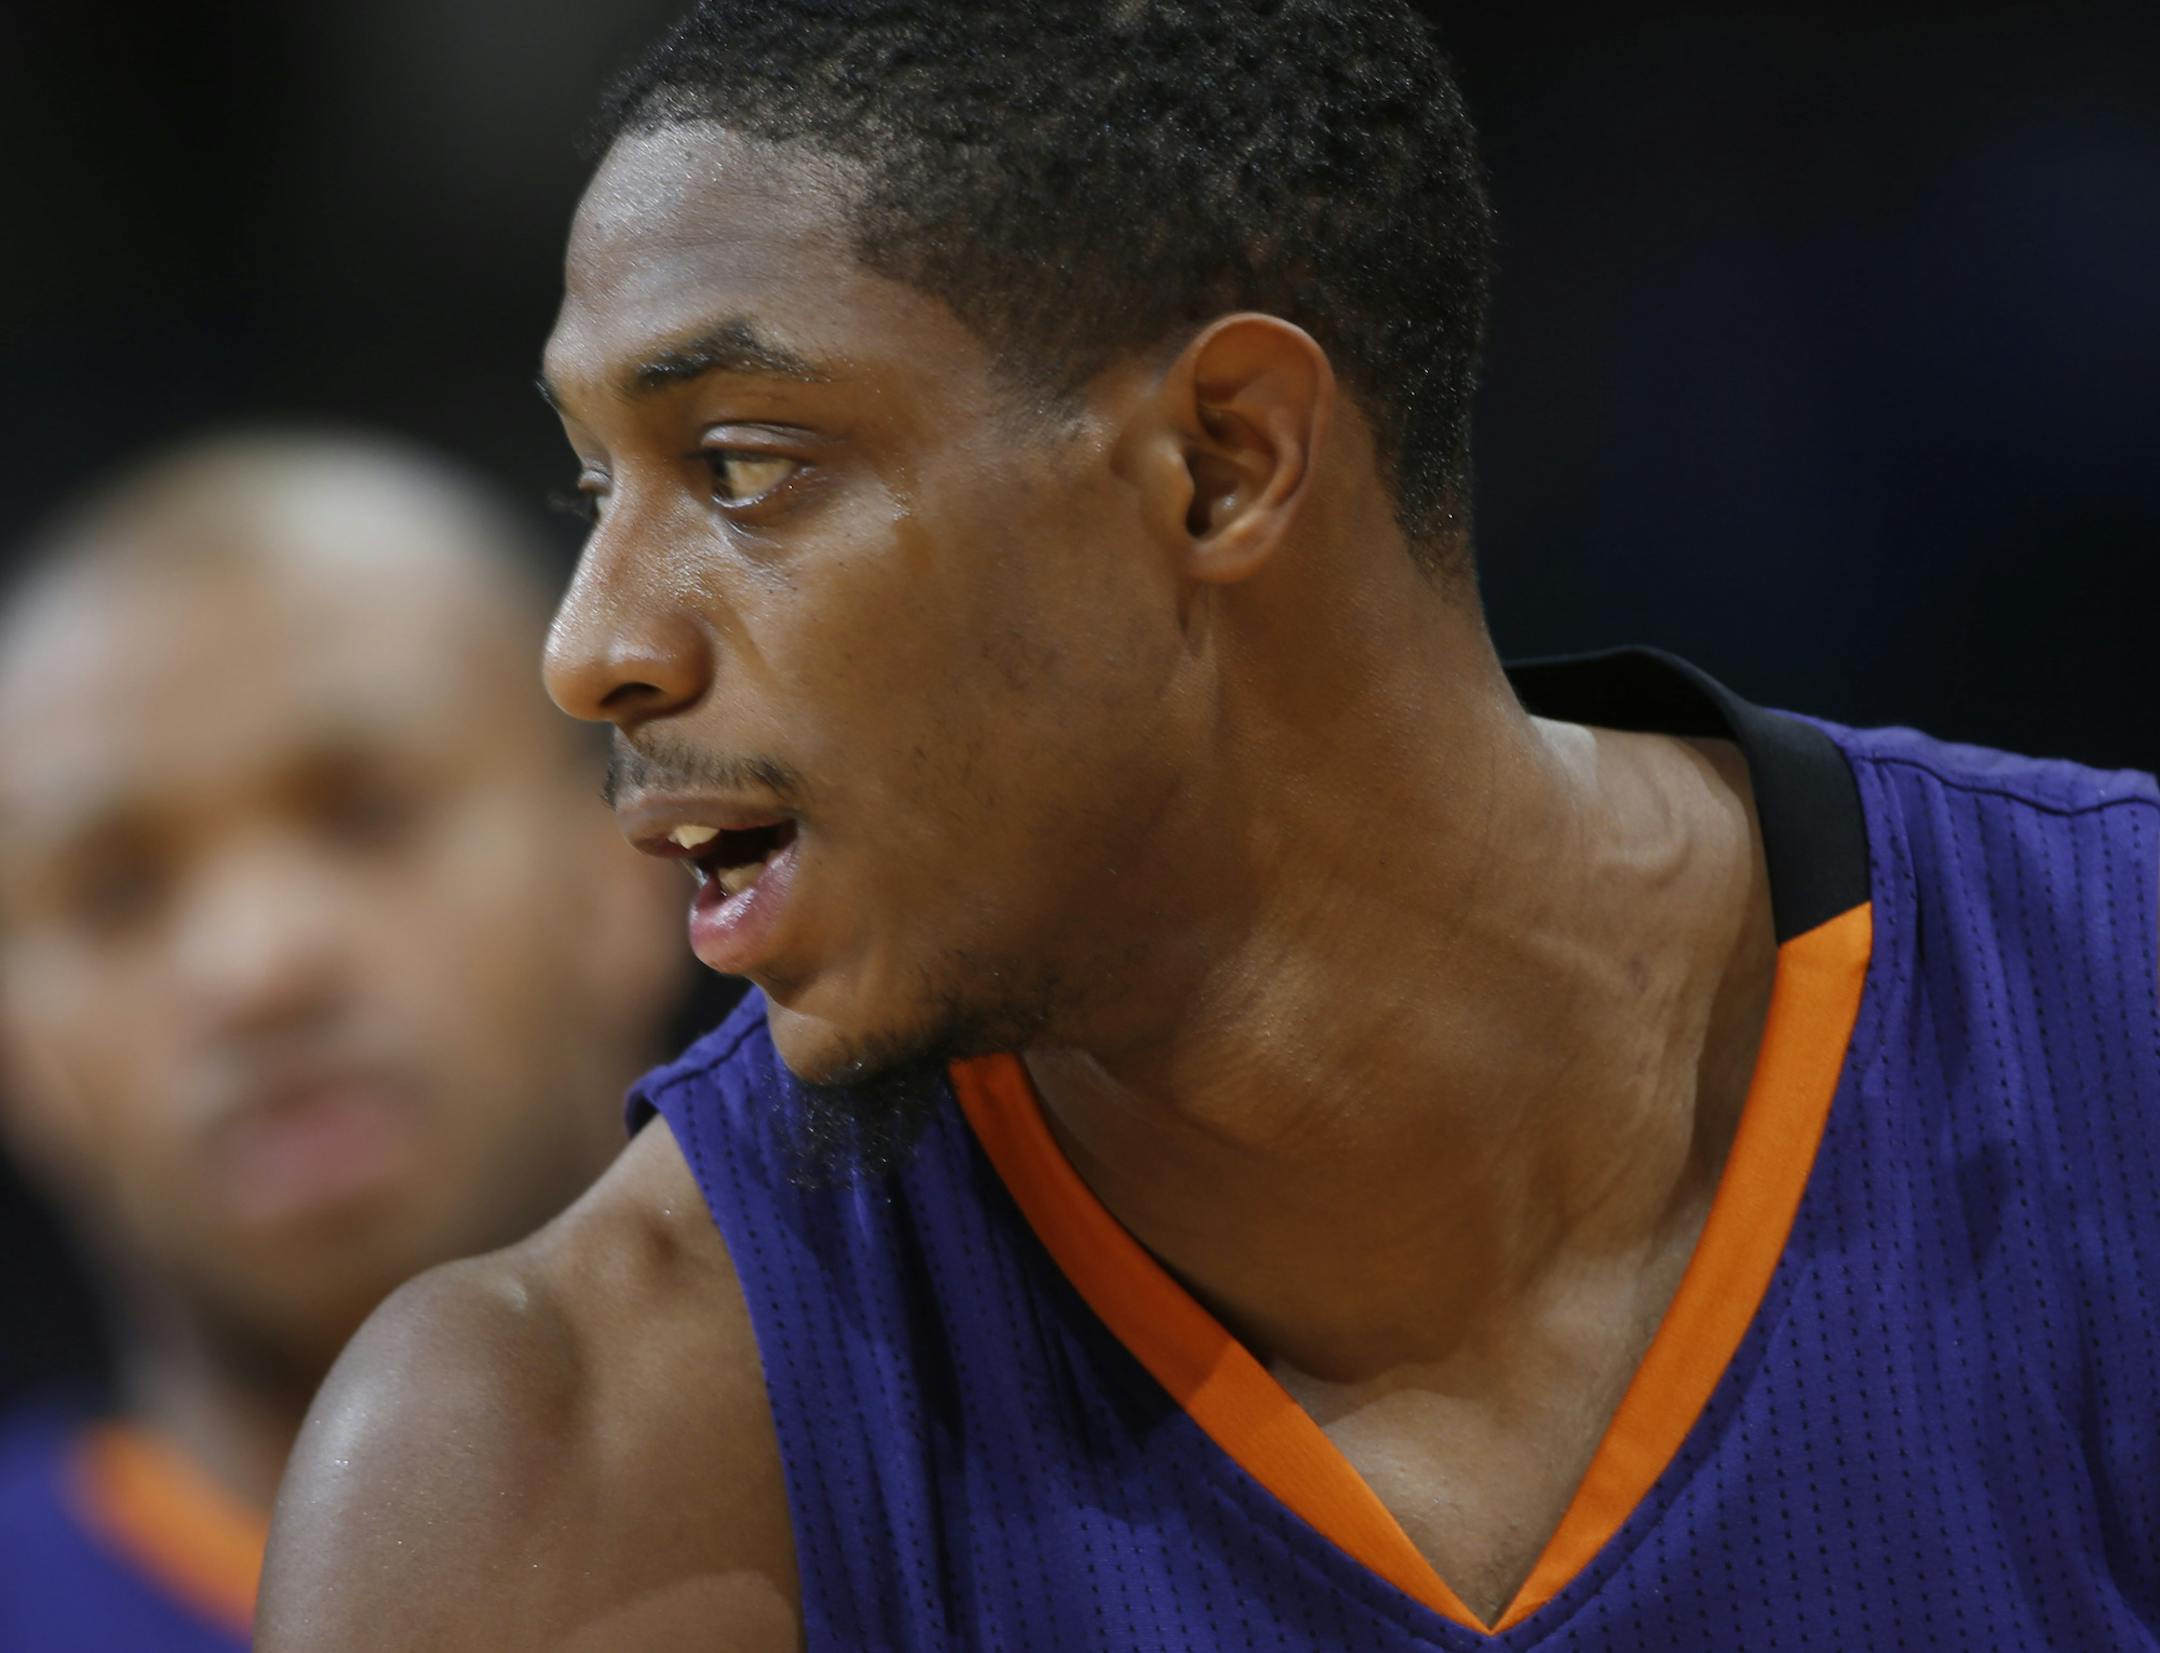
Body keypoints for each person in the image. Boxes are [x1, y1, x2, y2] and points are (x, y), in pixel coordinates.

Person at [261, 4, 2160, 1648]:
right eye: (590, 483)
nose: (591, 644)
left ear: (1225, 458)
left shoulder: (2116, 1015)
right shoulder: (550, 1456)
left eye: (741, 466)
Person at [0, 432, 687, 1649]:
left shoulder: (1027, 1505)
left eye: (369, 815)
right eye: (116, 894)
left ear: (629, 867)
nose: (257, 968)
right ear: (19, 1051)